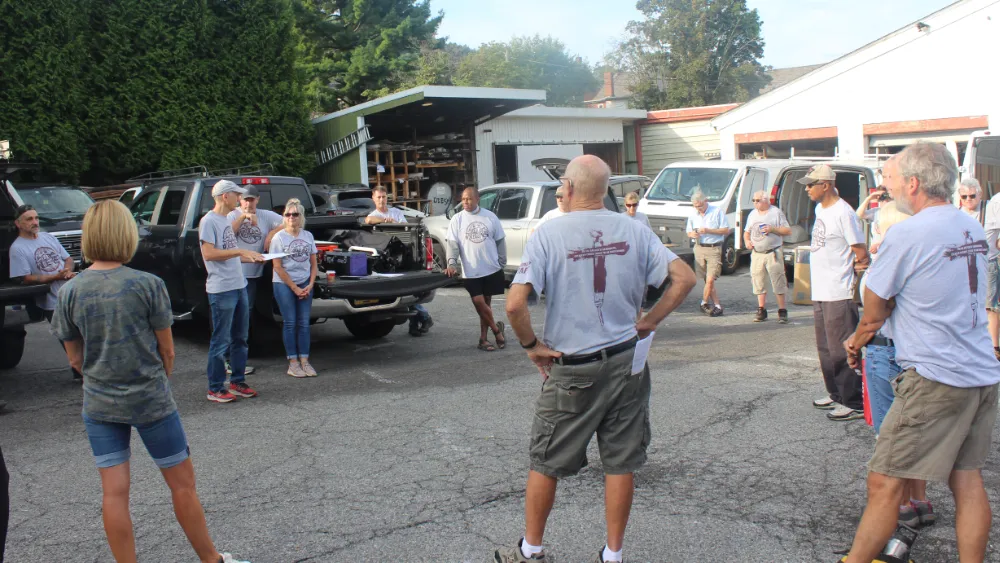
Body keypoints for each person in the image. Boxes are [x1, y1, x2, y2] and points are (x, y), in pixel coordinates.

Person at [499, 155, 696, 563]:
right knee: (620, 462)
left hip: (574, 366)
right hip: (627, 360)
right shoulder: (634, 230)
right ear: (605, 190)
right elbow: (685, 278)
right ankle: (613, 554)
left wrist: (531, 345)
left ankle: (531, 551)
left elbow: (515, 305)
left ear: (568, 189)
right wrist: (649, 322)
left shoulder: (548, 233)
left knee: (546, 460)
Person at [49, 200, 249, 563]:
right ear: (126, 234)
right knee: (182, 485)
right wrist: (156, 378)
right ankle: (211, 559)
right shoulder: (147, 284)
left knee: (114, 493)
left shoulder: (70, 292)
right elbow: (167, 351)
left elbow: (74, 358)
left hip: (99, 403)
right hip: (151, 400)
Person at [841, 142, 1000, 563]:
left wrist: (855, 342)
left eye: (890, 179)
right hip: (980, 372)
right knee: (966, 479)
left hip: (936, 377)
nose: (886, 186)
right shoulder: (968, 227)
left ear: (913, 183)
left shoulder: (909, 233)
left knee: (885, 480)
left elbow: (874, 310)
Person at [801, 164, 869, 422]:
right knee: (825, 348)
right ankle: (836, 393)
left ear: (826, 184)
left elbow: (860, 252)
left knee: (842, 349)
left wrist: (853, 276)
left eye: (811, 184)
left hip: (838, 291)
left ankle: (854, 401)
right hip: (820, 288)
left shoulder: (844, 213)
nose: (807, 189)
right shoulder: (820, 208)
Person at [199, 180, 264, 403]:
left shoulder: (226, 219)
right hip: (222, 289)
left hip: (239, 286)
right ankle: (215, 387)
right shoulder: (209, 221)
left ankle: (237, 381)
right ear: (225, 197)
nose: (240, 199)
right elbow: (209, 253)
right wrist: (240, 251)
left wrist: (251, 256)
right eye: (237, 195)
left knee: (240, 338)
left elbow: (229, 251)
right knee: (221, 340)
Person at [8, 204, 81, 380]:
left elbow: (68, 259)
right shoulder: (17, 248)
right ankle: (80, 372)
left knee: (83, 332)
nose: (35, 222)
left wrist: (67, 270)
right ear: (18, 224)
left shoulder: (47, 237)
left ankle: (86, 370)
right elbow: (24, 277)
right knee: (67, 336)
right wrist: (55, 276)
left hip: (71, 292)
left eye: (36, 218)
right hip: (52, 299)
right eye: (29, 219)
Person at [226, 185, 284, 376]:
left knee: (246, 314)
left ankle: (239, 358)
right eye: (245, 199)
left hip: (254, 275)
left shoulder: (266, 215)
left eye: (251, 199)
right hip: (235, 274)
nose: (248, 203)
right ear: (239, 200)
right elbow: (227, 235)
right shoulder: (232, 215)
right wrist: (243, 217)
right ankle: (227, 360)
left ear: (257, 200)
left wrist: (271, 234)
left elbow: (290, 222)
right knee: (234, 316)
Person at [444, 187, 508, 352]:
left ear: (477, 199)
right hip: (470, 270)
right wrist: (451, 263)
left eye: (469, 199)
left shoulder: (490, 217)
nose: (465, 202)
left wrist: (502, 261)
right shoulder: (457, 219)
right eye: (463, 199)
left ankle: (483, 339)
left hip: (490, 267)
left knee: (485, 304)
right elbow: (452, 244)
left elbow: (500, 240)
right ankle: (497, 331)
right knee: (478, 302)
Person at [364, 187, 432, 335]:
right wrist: (384, 220)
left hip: (403, 255)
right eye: (379, 197)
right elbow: (368, 220)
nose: (382, 200)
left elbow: (406, 230)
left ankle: (418, 322)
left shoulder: (396, 212)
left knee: (409, 290)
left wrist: (394, 221)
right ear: (373, 199)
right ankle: (423, 317)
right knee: (401, 293)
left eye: (384, 197)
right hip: (387, 258)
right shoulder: (374, 214)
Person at [270, 198, 319, 378]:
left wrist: (310, 283)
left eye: (295, 214)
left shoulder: (308, 236)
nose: (291, 217)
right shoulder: (278, 237)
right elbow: (277, 266)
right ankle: (293, 363)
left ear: (301, 217)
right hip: (284, 284)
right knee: (290, 323)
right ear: (284, 217)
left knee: (304, 323)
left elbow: (314, 263)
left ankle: (305, 361)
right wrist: (294, 288)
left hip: (305, 282)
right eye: (287, 214)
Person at [743, 190, 791, 323]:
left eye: (757, 200)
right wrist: (747, 241)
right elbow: (747, 232)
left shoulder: (776, 213)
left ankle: (782, 310)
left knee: (778, 281)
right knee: (758, 281)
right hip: (757, 253)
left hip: (772, 252)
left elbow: (787, 230)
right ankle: (761, 309)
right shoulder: (752, 214)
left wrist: (772, 229)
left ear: (766, 200)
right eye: (753, 200)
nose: (755, 203)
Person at [685, 190, 730, 317]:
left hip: (714, 249)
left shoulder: (717, 211)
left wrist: (708, 230)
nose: (698, 208)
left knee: (710, 279)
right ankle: (717, 305)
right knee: (707, 281)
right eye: (695, 206)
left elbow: (726, 230)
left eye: (700, 205)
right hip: (699, 248)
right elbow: (689, 231)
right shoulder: (693, 215)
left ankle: (703, 303)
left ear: (706, 201)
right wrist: (692, 234)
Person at [982, 179, 1000, 361]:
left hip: (990, 260)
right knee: (988, 307)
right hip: (986, 260)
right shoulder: (997, 202)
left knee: (990, 307)